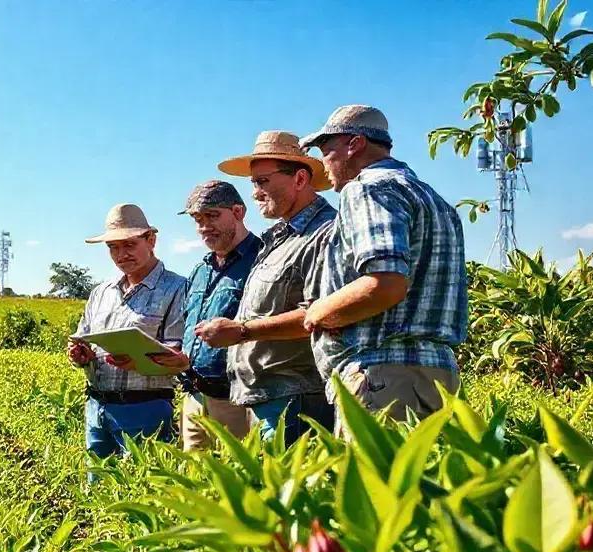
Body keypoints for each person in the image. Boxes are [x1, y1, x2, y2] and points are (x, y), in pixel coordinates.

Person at [299, 105, 467, 426]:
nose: (324, 163)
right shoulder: (436, 201)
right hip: (439, 375)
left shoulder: (367, 188)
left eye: (326, 150)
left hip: (384, 376)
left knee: (376, 461)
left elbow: (386, 283)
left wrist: (320, 311)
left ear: (354, 144)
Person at [195, 131, 336, 444]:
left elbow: (322, 314)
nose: (255, 193)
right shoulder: (280, 238)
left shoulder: (325, 234)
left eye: (262, 182)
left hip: (297, 399)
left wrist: (242, 331)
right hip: (268, 398)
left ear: (300, 179)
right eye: (253, 183)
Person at [68, 203, 189, 461]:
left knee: (146, 481)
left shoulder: (177, 288)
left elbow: (179, 355)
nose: (121, 255)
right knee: (98, 482)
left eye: (129, 245)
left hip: (146, 408)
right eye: (113, 247)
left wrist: (139, 362)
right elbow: (83, 336)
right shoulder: (101, 292)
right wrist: (81, 356)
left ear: (151, 240)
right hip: (97, 407)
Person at [173, 180, 260, 451]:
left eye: (212, 216)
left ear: (238, 212)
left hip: (239, 399)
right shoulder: (200, 271)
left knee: (239, 471)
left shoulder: (262, 260)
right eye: (197, 219)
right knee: (194, 472)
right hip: (194, 396)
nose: (203, 227)